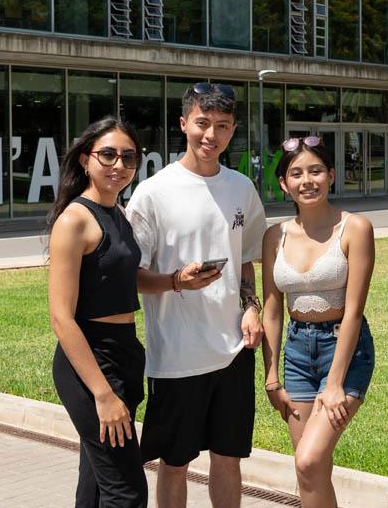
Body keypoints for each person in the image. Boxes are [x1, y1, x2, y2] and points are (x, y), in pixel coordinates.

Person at [126, 82, 266, 508]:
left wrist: (251, 305)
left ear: (233, 129)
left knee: (228, 459)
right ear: (184, 123)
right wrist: (174, 282)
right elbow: (130, 274)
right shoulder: (153, 192)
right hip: (178, 355)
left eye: (222, 126)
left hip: (233, 351)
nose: (211, 135)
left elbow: (245, 257)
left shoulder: (241, 187)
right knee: (174, 462)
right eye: (202, 123)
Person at [260, 137, 375, 508]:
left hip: (343, 348)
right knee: (311, 470)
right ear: (283, 183)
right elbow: (272, 309)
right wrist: (272, 375)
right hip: (295, 353)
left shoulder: (355, 228)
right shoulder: (274, 236)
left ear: (331, 176)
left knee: (308, 459)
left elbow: (354, 311)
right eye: (296, 173)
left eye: (315, 171)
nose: (307, 180)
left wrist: (336, 382)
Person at [47, 116, 147, 507]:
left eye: (128, 157)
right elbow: (61, 317)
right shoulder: (74, 220)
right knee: (127, 493)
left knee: (96, 481)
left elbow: (125, 277)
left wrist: (175, 281)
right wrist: (102, 394)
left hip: (124, 353)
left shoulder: (118, 214)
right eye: (107, 155)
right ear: (86, 159)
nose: (118, 165)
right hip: (91, 363)